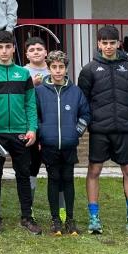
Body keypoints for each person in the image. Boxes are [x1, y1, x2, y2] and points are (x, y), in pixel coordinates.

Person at [77, 25, 128, 234]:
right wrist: (93, 122)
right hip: (100, 130)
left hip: (125, 128)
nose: (108, 47)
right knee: (94, 171)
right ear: (98, 44)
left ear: (118, 44)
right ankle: (93, 217)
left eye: (112, 43)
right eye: (104, 43)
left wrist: (125, 115)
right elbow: (84, 100)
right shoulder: (89, 69)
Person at [0, 31, 41, 234]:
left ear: (14, 48)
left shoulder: (24, 74)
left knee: (23, 174)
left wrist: (32, 129)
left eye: (8, 47)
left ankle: (27, 216)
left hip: (20, 134)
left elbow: (30, 104)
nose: (4, 51)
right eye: (0, 47)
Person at [35, 50, 90, 236]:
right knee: (53, 180)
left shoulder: (75, 91)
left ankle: (70, 219)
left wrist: (76, 133)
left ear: (66, 68)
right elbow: (35, 115)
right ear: (49, 68)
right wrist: (41, 133)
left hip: (69, 144)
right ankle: (55, 220)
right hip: (49, 144)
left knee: (68, 180)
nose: (58, 71)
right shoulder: (40, 91)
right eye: (54, 67)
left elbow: (85, 114)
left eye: (61, 67)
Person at [23, 36, 50, 212]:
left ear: (45, 52)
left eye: (39, 49)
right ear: (26, 54)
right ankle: (28, 204)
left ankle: (58, 206)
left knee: (52, 165)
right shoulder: (22, 72)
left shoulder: (55, 69)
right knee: (31, 165)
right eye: (32, 50)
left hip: (51, 124)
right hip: (30, 125)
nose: (36, 52)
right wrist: (31, 85)